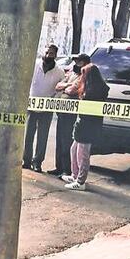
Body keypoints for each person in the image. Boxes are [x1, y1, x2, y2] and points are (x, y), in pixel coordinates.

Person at [63, 57, 109, 191]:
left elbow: (73, 92)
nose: (81, 76)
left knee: (82, 154)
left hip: (88, 125)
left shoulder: (94, 91)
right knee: (74, 150)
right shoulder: (90, 87)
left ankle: (80, 181)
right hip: (82, 123)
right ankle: (75, 175)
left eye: (84, 74)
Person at [23, 44, 63, 173]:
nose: (48, 55)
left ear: (55, 55)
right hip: (31, 105)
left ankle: (37, 162)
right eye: (46, 52)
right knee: (28, 135)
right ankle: (26, 161)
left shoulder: (59, 72)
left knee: (42, 136)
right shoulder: (33, 65)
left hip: (47, 108)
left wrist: (53, 100)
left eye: (51, 53)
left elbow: (60, 90)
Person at [50, 55, 83, 177]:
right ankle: (59, 167)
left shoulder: (83, 76)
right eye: (75, 61)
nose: (76, 63)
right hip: (62, 110)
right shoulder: (71, 74)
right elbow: (58, 86)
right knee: (59, 139)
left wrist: (66, 87)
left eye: (78, 61)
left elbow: (72, 90)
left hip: (72, 113)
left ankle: (67, 170)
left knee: (67, 140)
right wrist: (67, 85)